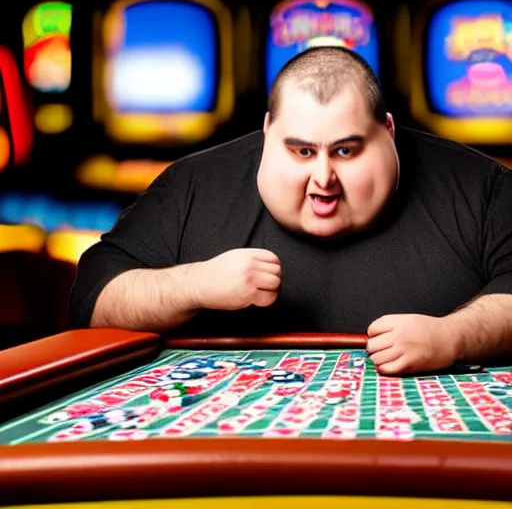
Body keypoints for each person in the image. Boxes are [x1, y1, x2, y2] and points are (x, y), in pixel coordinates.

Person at [69, 46, 512, 375]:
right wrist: (194, 283)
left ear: (388, 131)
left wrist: (455, 338)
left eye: (345, 150)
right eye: (301, 150)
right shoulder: (192, 184)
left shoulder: (480, 186)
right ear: (268, 131)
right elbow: (92, 302)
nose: (323, 177)